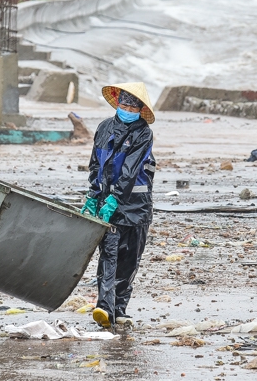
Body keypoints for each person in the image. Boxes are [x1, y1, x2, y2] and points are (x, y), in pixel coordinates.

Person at [81, 82, 156, 329]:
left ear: (140, 109)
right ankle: (105, 308)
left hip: (136, 206)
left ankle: (120, 307)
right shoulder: (104, 128)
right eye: (123, 104)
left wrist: (116, 197)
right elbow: (95, 164)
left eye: (132, 106)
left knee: (129, 259)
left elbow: (130, 169)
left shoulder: (143, 133)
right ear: (117, 103)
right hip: (107, 205)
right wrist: (94, 196)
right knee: (109, 254)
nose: (127, 109)